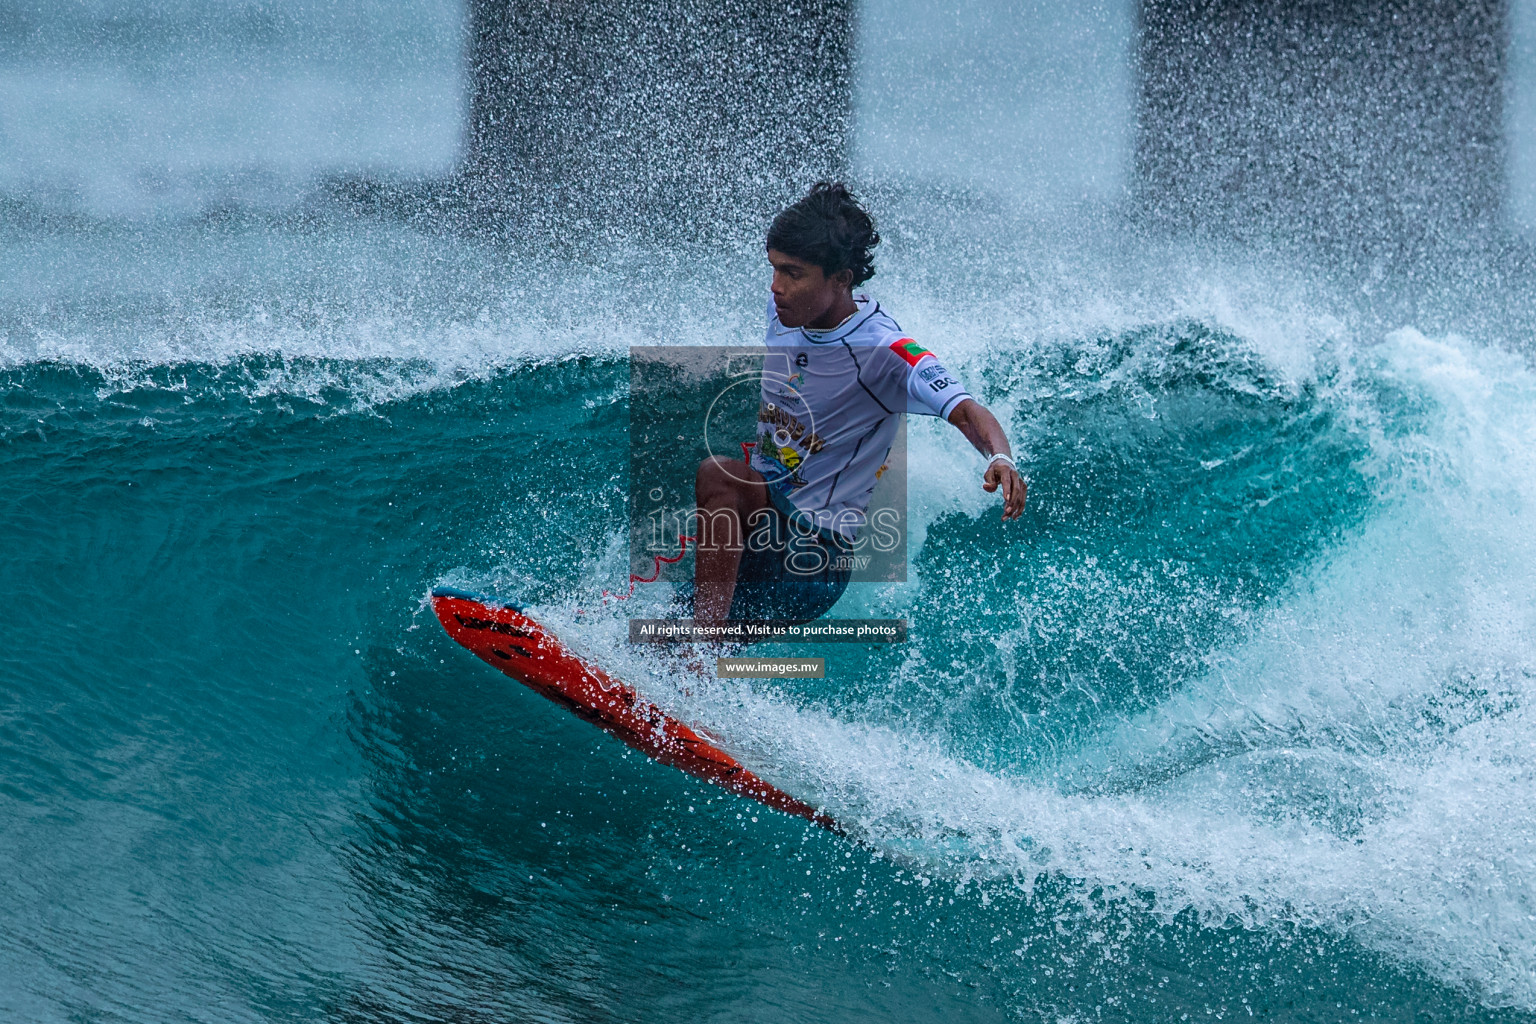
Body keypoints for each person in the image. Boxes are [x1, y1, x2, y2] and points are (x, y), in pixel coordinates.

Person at [690, 182, 1026, 627]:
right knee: (662, 643)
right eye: (773, 269)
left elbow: (966, 409)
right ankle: (695, 674)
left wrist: (1000, 456)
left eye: (792, 273)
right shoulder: (786, 310)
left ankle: (700, 654)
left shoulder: (883, 349)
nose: (776, 287)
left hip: (813, 558)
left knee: (718, 475)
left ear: (841, 278)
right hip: (766, 530)